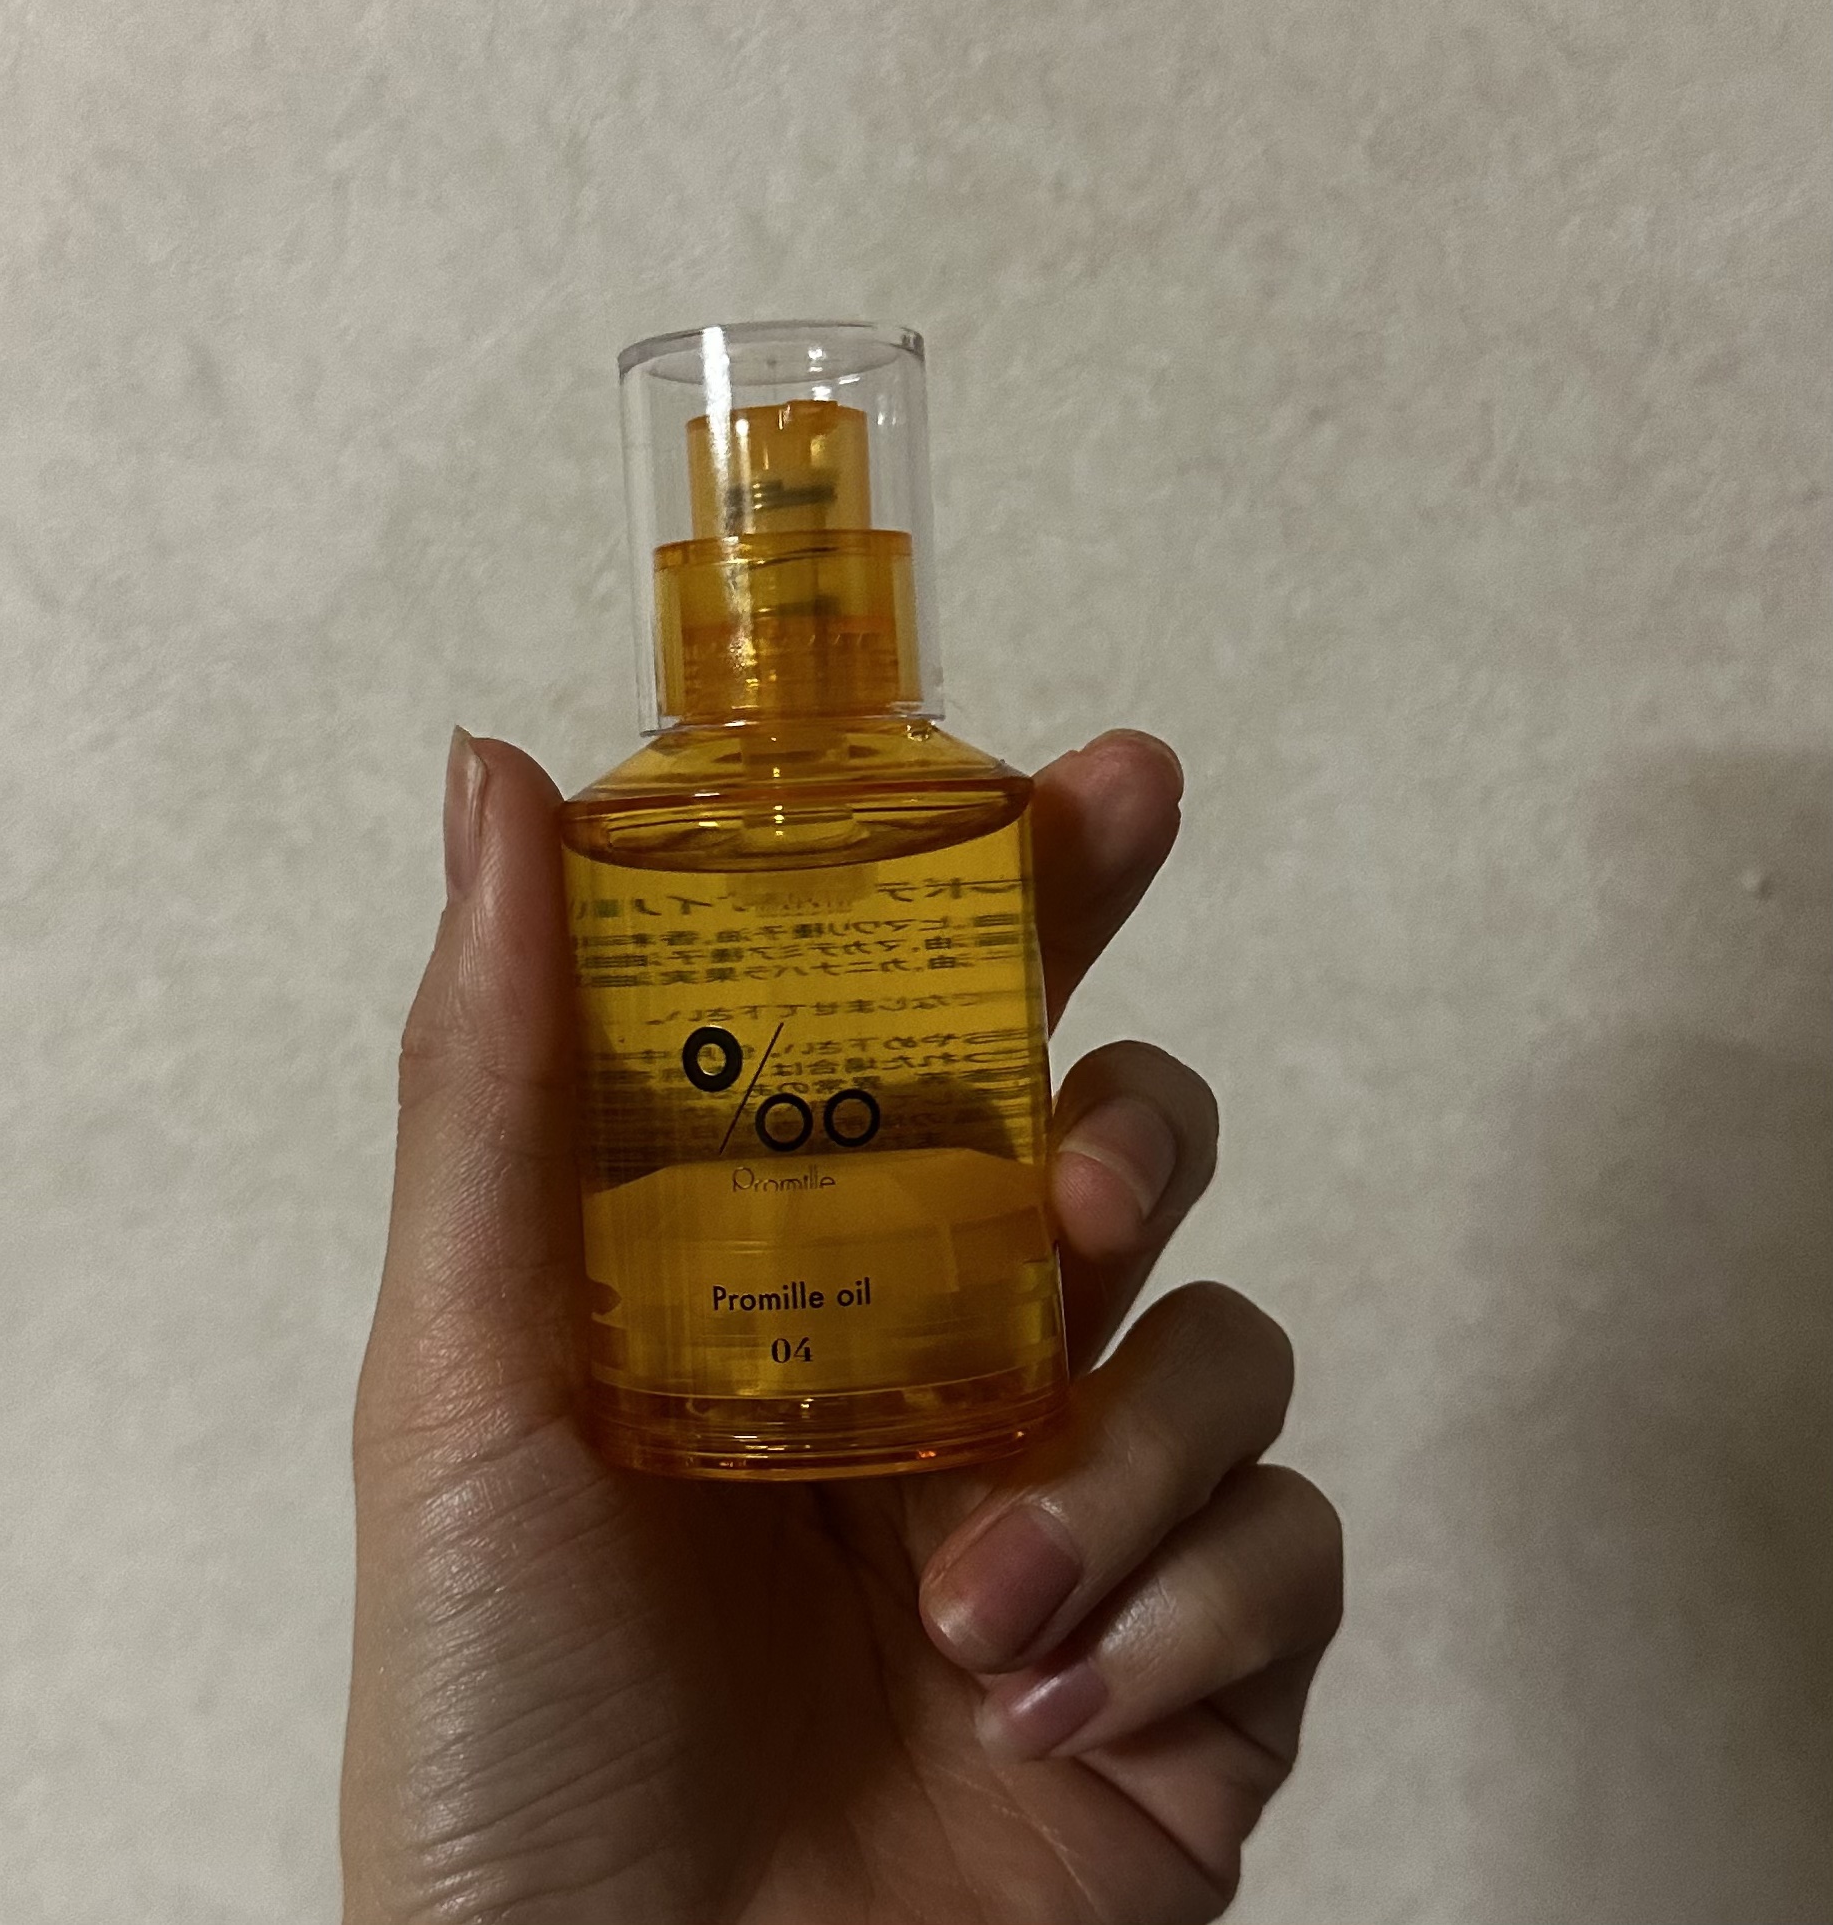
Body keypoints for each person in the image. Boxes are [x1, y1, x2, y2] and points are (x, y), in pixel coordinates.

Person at [340, 728, 1344, 1925]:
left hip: (943, 1678)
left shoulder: (947, 812)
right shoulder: (638, 836)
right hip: (702, 1601)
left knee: (1094, 1180)